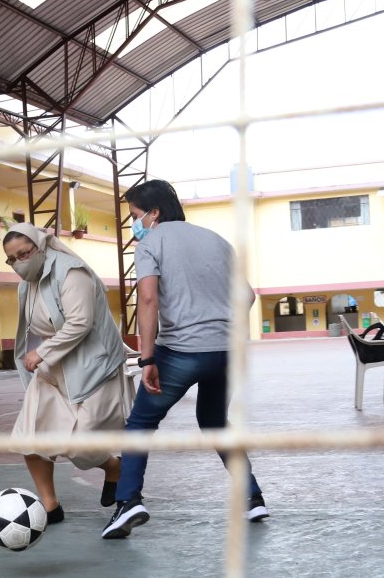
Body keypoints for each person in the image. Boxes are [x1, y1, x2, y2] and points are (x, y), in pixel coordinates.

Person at [103, 179, 269, 541]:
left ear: (154, 212)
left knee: (140, 423)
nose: (134, 223)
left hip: (181, 351)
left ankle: (128, 501)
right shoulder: (217, 241)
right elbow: (247, 296)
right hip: (227, 351)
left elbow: (148, 300)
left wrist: (147, 358)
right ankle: (252, 497)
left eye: (135, 215)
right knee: (214, 421)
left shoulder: (151, 243)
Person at [5, 222, 131, 526]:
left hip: (94, 366)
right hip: (54, 367)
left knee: (80, 445)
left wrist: (42, 352)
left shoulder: (72, 272)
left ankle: (114, 467)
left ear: (40, 246)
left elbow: (80, 322)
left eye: (24, 253)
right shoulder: (27, 286)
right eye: (12, 259)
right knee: (29, 436)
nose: (19, 262)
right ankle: (50, 506)